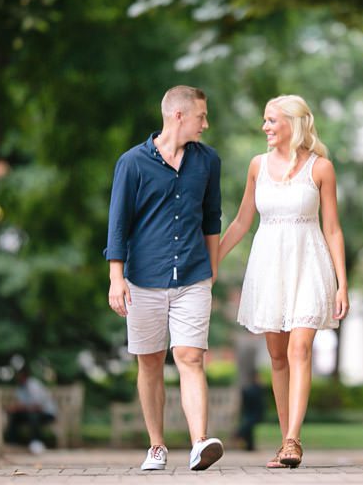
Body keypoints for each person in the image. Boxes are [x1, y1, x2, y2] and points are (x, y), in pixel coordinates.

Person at [219, 94, 349, 469]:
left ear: (294, 123)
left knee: (299, 349)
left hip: (309, 263)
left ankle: (293, 440)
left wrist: (342, 283)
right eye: (264, 120)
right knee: (277, 356)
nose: (265, 128)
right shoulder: (257, 166)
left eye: (272, 120)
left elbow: (333, 229)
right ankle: (283, 440)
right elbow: (243, 222)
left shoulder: (321, 168)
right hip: (268, 267)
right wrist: (212, 261)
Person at [105, 85, 224, 471]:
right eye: (201, 117)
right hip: (143, 278)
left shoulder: (208, 162)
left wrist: (212, 270)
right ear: (178, 116)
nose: (205, 124)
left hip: (192, 276)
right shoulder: (132, 163)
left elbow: (212, 220)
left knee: (190, 356)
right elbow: (118, 224)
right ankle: (157, 446)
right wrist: (116, 278)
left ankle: (199, 442)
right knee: (150, 362)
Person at [5, 366, 57, 454]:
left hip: (47, 413)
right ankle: (12, 442)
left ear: (25, 376)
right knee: (15, 416)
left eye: (20, 376)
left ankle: (36, 442)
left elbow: (38, 406)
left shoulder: (34, 385)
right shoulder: (20, 388)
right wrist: (15, 409)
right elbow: (24, 405)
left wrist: (19, 408)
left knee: (33, 416)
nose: (18, 378)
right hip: (31, 412)